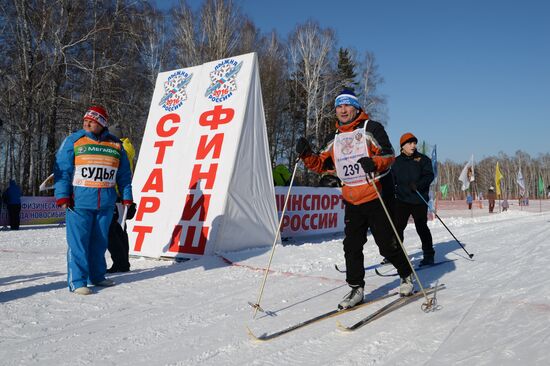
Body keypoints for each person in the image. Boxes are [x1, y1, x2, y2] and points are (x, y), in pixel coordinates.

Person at [296, 89, 413, 309]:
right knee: (351, 245)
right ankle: (356, 288)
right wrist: (306, 155)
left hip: (375, 194)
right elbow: (322, 164)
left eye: (347, 105)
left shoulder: (372, 128)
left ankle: (406, 274)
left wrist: (374, 163)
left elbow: (388, 155)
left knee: (386, 246)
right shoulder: (334, 137)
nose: (343, 110)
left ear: (356, 108)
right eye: (339, 106)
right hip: (351, 198)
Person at [54, 105, 133, 295]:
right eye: (86, 120)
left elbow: (123, 175)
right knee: (79, 243)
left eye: (93, 121)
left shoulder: (116, 145)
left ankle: (96, 276)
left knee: (99, 242)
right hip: (78, 203)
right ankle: (78, 281)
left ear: (102, 124)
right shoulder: (74, 141)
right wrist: (62, 195)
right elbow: (62, 171)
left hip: (105, 203)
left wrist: (127, 196)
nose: (87, 123)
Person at [391, 133, 435, 266]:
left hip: (418, 199)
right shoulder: (396, 162)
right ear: (402, 146)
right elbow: (391, 180)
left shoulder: (423, 159)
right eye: (410, 143)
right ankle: (396, 254)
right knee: (397, 227)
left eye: (414, 143)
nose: (413, 145)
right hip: (402, 200)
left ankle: (428, 254)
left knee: (421, 227)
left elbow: (429, 175)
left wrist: (419, 184)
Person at [106, 124, 136, 273]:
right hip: (122, 196)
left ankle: (120, 262)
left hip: (116, 195)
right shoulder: (127, 148)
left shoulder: (120, 149)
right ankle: (123, 262)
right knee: (121, 231)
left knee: (112, 231)